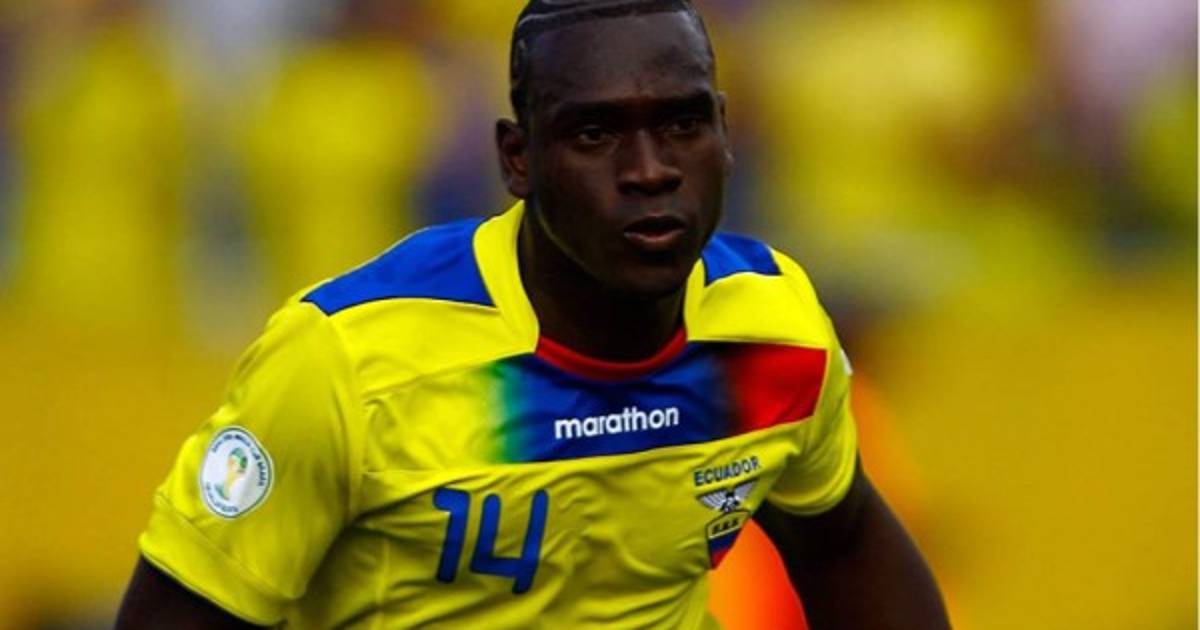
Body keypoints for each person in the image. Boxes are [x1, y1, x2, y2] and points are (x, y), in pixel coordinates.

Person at [116, 1, 950, 628]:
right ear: (518, 160)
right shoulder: (349, 359)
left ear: (726, 135)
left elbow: (843, 541)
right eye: (595, 134)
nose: (649, 170)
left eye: (681, 124)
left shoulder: (772, 332)